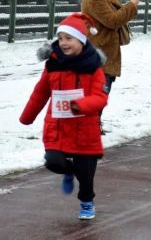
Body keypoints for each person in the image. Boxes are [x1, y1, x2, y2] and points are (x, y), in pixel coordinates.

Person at [19, 13, 108, 220]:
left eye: (69, 38)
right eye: (60, 38)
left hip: (85, 130)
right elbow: (40, 92)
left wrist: (80, 105)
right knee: (53, 162)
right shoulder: (53, 64)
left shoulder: (93, 67)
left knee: (86, 176)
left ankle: (87, 201)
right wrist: (27, 116)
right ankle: (68, 171)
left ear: (82, 40)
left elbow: (100, 97)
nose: (64, 43)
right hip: (57, 127)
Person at [81, 0, 140, 131]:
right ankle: (90, 126)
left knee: (102, 92)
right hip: (98, 52)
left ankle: (94, 124)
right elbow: (113, 20)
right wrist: (132, 5)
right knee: (99, 92)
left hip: (107, 50)